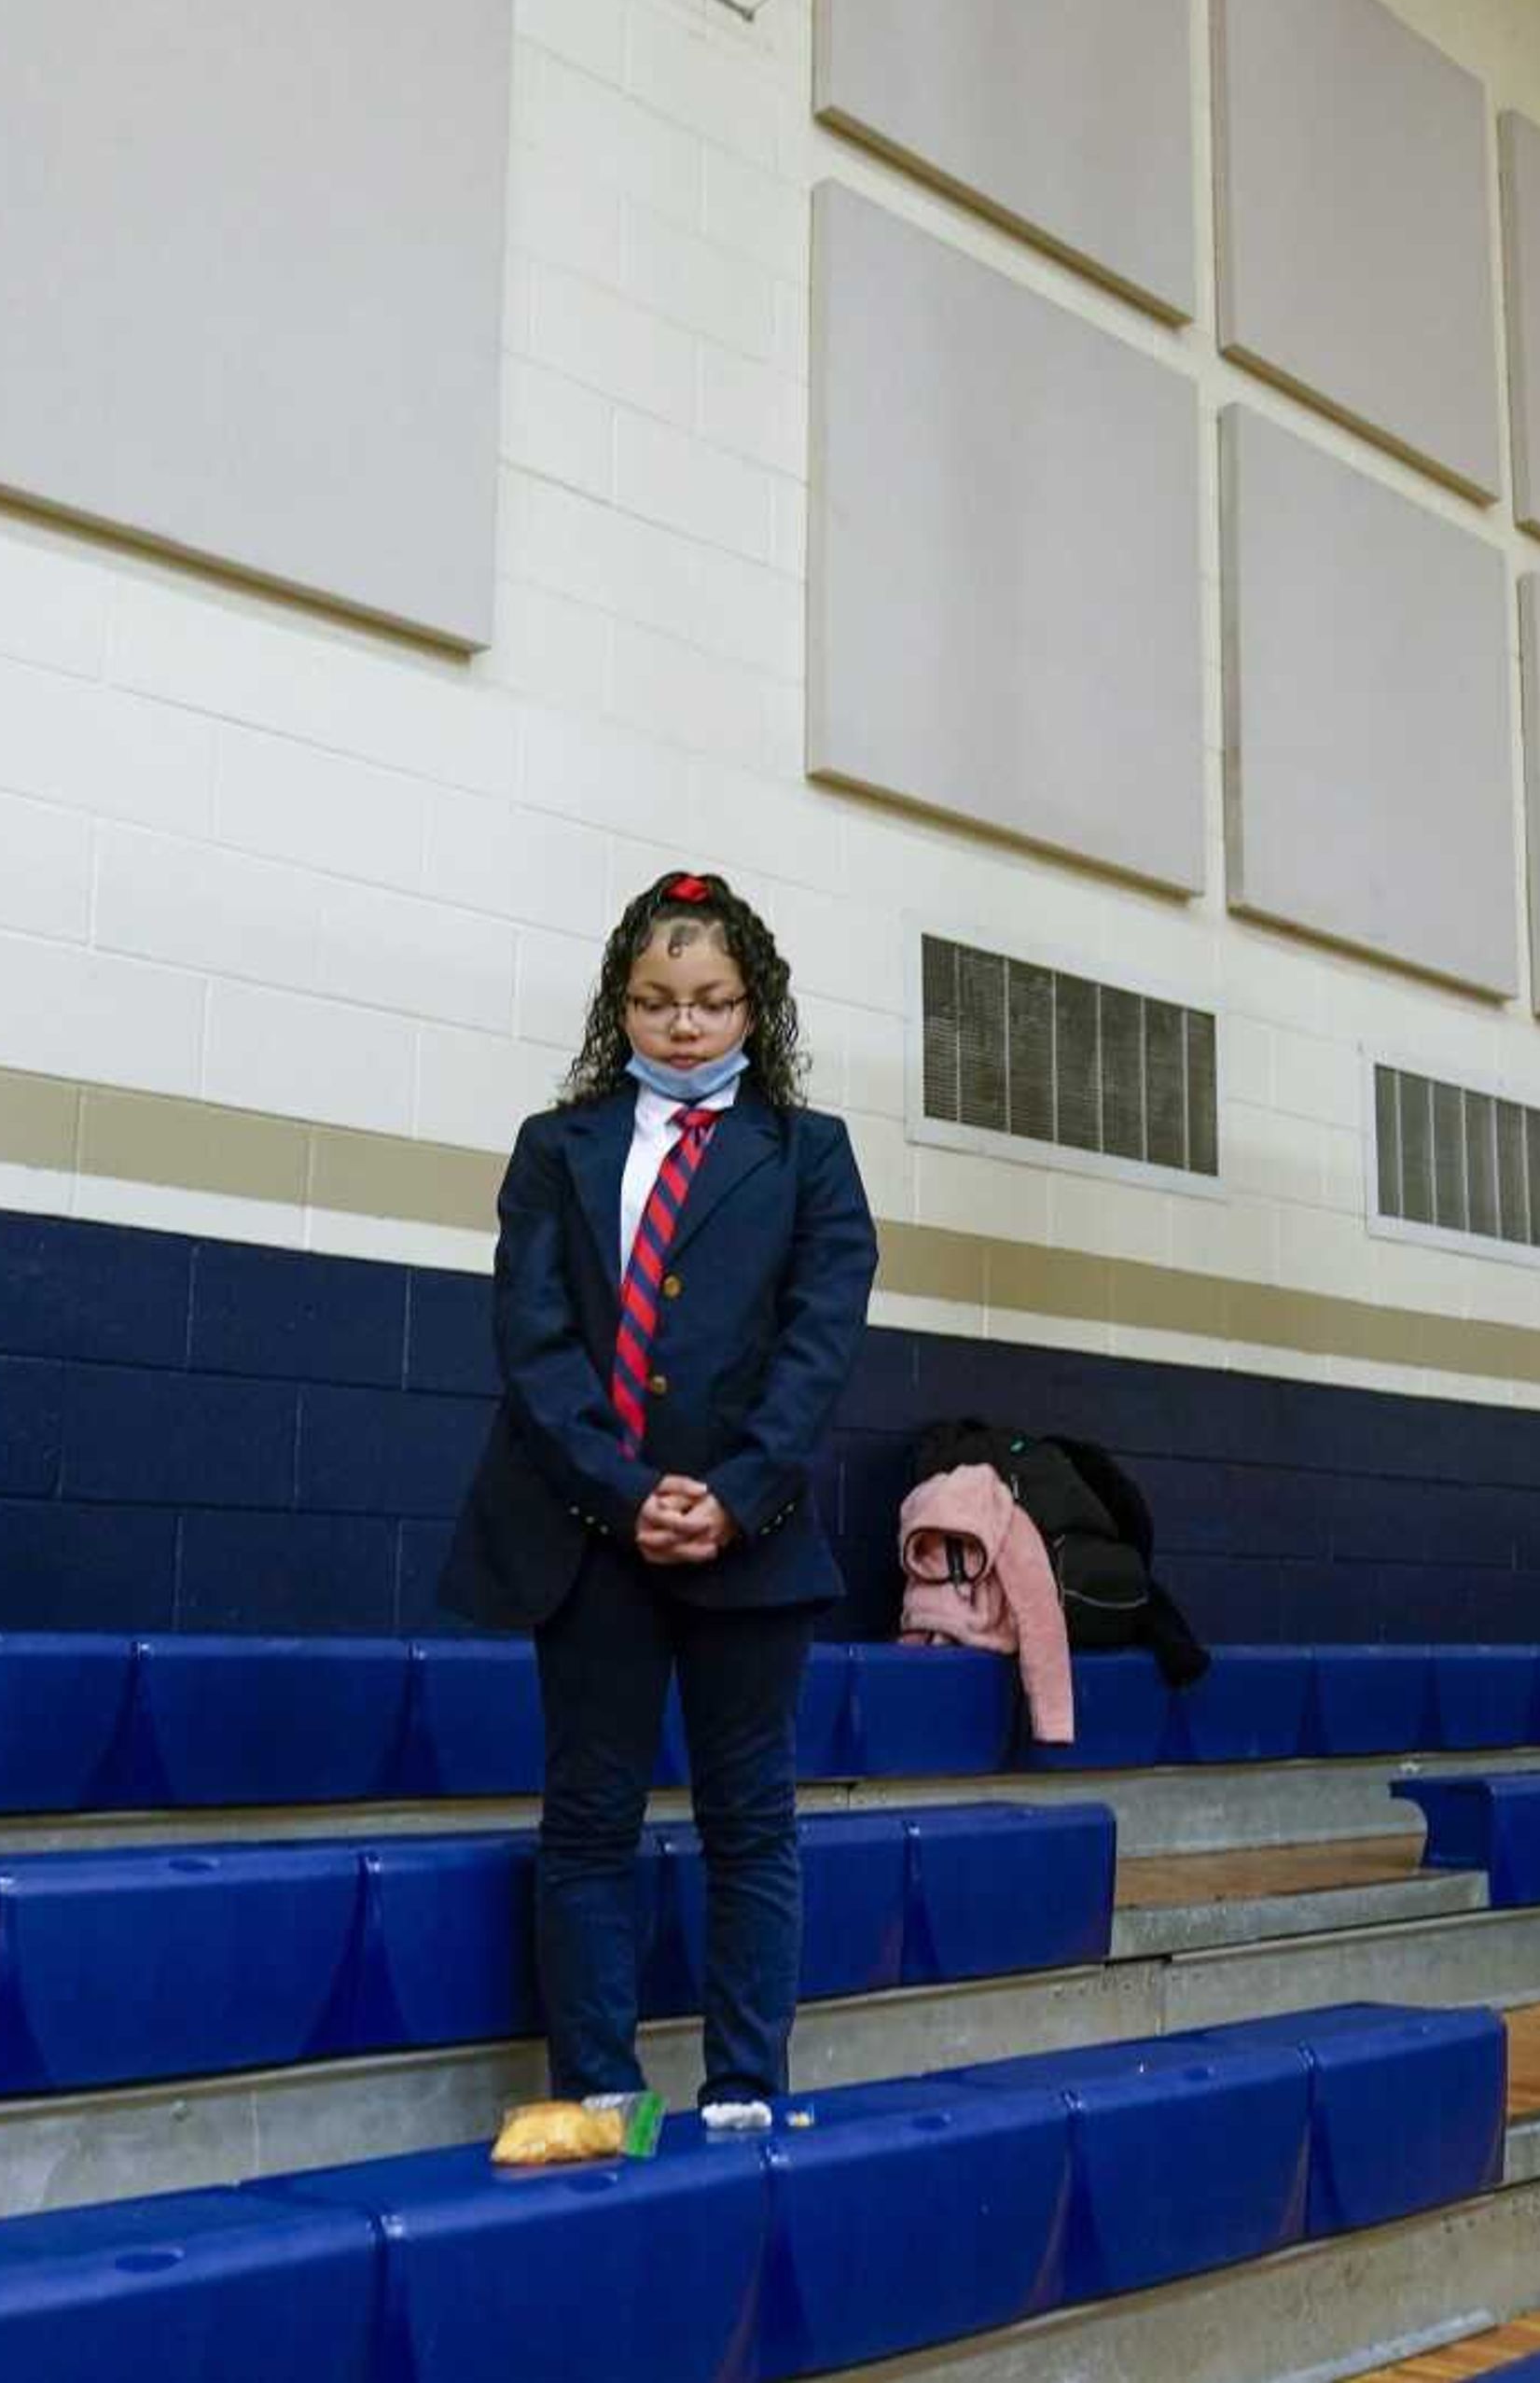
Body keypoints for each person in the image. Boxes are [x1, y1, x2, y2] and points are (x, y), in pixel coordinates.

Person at [440, 868, 878, 2157]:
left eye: (710, 1003)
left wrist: (732, 1494)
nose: (682, 1028)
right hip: (588, 1538)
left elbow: (818, 1346)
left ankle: (744, 2077)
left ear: (756, 1005)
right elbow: (535, 1340)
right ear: (619, 1006)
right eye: (654, 1003)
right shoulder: (556, 1147)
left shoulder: (809, 1156)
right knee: (588, 1823)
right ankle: (600, 2093)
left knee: (751, 1818)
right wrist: (627, 1493)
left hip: (749, 1540)